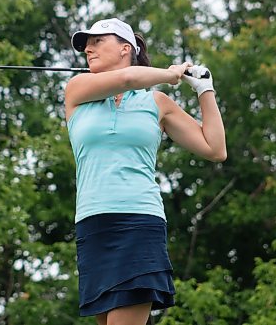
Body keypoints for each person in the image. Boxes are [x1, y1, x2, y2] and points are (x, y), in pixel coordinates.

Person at [65, 18, 226, 325]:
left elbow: (215, 148)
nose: (88, 48)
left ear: (126, 48)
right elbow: (126, 79)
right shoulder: (77, 91)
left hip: (138, 220)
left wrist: (205, 89)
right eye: (87, 44)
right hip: (92, 225)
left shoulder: (156, 103)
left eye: (98, 41)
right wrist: (169, 74)